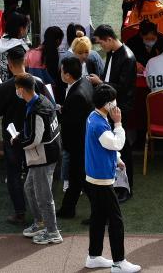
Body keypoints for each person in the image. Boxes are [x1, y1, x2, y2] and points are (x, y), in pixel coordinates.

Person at [84, 83, 140, 273]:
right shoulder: (100, 124)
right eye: (113, 100)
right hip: (101, 179)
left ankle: (94, 256)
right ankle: (118, 262)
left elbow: (105, 145)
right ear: (107, 104)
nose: (116, 104)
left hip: (94, 176)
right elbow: (116, 143)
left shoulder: (94, 117)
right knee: (116, 220)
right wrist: (118, 123)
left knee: (98, 218)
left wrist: (116, 159)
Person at [0, 46, 51, 224]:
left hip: (12, 138)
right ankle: (40, 213)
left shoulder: (4, 87)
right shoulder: (37, 82)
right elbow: (48, 106)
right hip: (34, 135)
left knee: (14, 174)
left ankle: (20, 212)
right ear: (25, 61)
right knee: (36, 175)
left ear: (9, 65)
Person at [13, 73, 63, 245]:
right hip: (45, 154)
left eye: (16, 89)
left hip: (43, 157)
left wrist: (18, 141)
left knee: (43, 196)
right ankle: (41, 222)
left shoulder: (37, 110)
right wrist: (22, 135)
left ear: (21, 90)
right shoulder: (42, 100)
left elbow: (35, 139)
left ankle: (53, 232)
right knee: (29, 189)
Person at [87, 25, 137, 194]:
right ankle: (116, 183)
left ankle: (126, 187)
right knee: (115, 147)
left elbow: (122, 87)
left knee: (123, 147)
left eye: (101, 43)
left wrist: (100, 83)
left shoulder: (128, 57)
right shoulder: (112, 53)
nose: (101, 47)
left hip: (121, 107)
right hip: (111, 105)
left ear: (109, 39)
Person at [56, 57, 94, 219]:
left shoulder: (76, 94)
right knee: (76, 179)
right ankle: (67, 209)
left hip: (79, 144)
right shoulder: (84, 83)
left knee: (83, 180)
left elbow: (72, 123)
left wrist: (61, 113)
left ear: (67, 75)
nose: (60, 73)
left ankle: (101, 214)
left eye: (62, 70)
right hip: (82, 142)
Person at [0, 11, 31, 89]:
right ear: (21, 29)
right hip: (14, 86)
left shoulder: (4, 38)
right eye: (27, 27)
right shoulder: (19, 49)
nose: (27, 30)